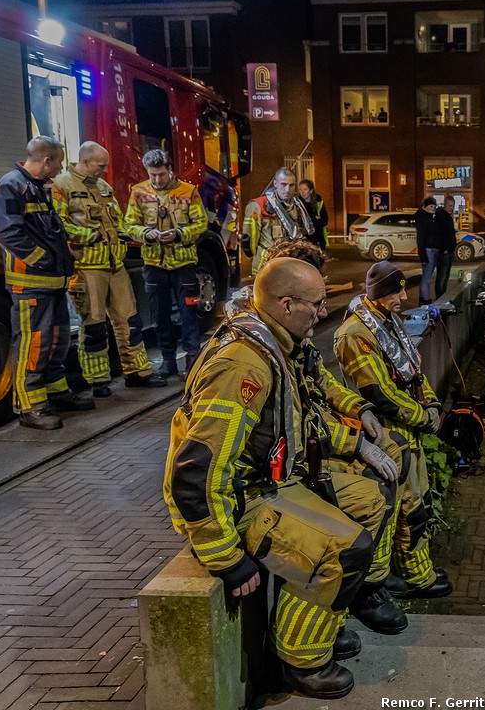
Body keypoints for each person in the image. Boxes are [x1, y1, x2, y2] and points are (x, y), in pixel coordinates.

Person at [165, 257, 401, 698]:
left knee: (370, 501)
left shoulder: (277, 345)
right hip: (242, 497)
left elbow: (296, 423)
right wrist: (224, 556)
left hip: (271, 477)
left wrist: (356, 445)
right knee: (347, 551)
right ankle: (300, 659)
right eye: (315, 304)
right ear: (286, 303)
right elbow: (199, 470)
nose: (323, 312)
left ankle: (324, 615)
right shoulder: (245, 366)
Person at [334, 261, 454, 600]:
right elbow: (379, 394)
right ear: (380, 294)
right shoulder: (355, 335)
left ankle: (415, 572)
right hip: (385, 436)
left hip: (405, 431)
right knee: (399, 510)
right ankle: (398, 581)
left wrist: (431, 404)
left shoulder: (386, 322)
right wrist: (424, 417)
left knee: (416, 504)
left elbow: (413, 370)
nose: (405, 296)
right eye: (397, 290)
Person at [0, 136, 94, 430]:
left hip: (51, 283)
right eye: (59, 161)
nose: (61, 167)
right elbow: (8, 233)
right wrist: (44, 260)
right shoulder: (11, 186)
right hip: (31, 284)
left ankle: (56, 393)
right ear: (46, 160)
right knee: (33, 344)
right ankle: (30, 407)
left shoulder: (38, 188)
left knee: (57, 341)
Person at [52, 142, 167, 397]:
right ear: (85, 162)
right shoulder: (62, 185)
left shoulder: (103, 187)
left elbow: (116, 220)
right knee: (93, 326)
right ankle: (97, 380)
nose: (104, 170)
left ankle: (136, 372)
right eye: (100, 165)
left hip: (115, 265)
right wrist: (87, 236)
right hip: (87, 267)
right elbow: (57, 225)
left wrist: (123, 234)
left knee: (129, 322)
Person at [123, 149, 207, 377]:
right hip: (154, 264)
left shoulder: (189, 191)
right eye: (153, 175)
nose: (157, 180)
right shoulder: (138, 192)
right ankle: (168, 361)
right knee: (159, 315)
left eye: (161, 174)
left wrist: (179, 234)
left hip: (184, 265)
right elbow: (129, 224)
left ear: (170, 170)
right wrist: (146, 234)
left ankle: (192, 361)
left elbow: (201, 223)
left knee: (188, 313)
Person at [242, 167, 314, 272]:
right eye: (283, 184)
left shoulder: (298, 206)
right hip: (266, 265)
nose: (287, 190)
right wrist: (253, 257)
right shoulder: (258, 205)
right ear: (275, 183)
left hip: (290, 265)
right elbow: (249, 239)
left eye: (291, 185)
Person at [414, 195, 456, 305]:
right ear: (425, 206)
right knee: (428, 278)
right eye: (431, 206)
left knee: (428, 277)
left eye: (434, 206)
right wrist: (423, 254)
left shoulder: (432, 217)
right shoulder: (425, 219)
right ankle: (426, 302)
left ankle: (424, 301)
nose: (433, 208)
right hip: (430, 251)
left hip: (434, 250)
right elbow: (421, 237)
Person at [297, 179, 329, 249]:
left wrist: (311, 221)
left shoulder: (319, 202)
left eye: (305, 189)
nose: (302, 192)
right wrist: (315, 219)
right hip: (304, 240)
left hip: (318, 239)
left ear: (311, 191)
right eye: (300, 189)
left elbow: (324, 221)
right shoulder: (297, 204)